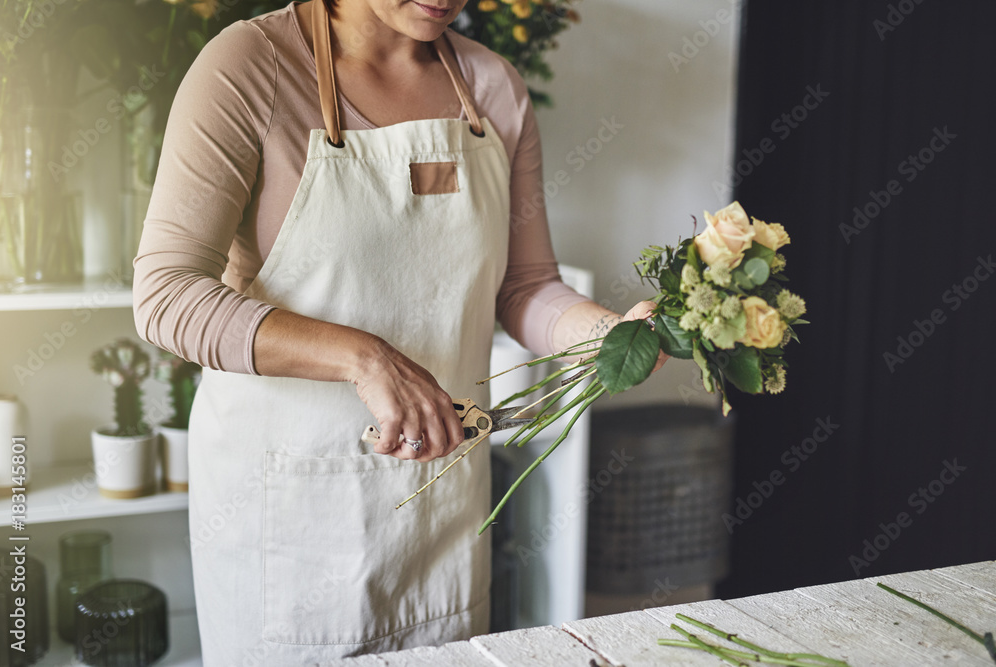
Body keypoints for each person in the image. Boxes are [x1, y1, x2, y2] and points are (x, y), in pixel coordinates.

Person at [132, 0, 665, 662]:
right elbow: (166, 295)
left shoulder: (494, 88)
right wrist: (365, 360)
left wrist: (611, 333)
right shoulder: (249, 67)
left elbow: (524, 288)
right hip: (286, 524)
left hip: (437, 517)